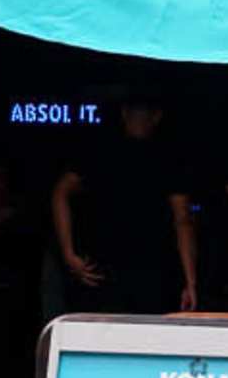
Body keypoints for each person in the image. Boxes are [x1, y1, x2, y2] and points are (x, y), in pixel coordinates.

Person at [52, 97, 196, 314]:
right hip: (124, 273)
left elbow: (183, 220)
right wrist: (68, 254)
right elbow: (182, 220)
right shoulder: (167, 158)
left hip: (143, 274)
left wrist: (69, 253)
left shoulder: (100, 151)